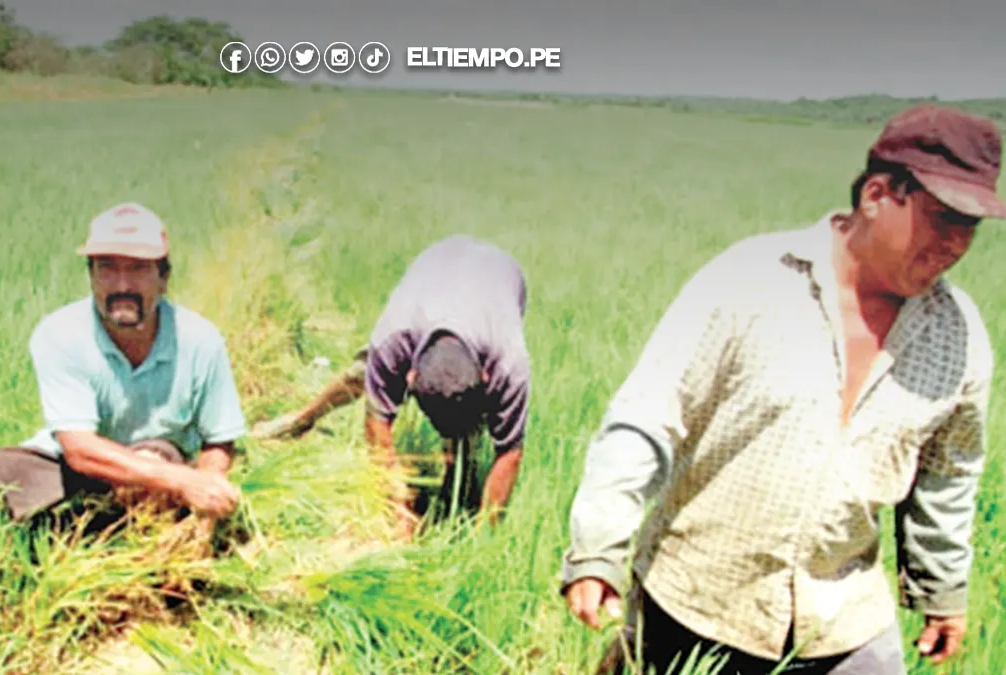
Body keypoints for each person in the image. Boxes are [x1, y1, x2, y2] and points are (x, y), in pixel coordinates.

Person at [561, 102, 1002, 674]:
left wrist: (942, 591)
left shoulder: (959, 337)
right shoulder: (750, 280)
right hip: (698, 604)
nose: (955, 243)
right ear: (876, 195)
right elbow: (648, 417)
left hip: (841, 621)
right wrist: (597, 550)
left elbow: (948, 474)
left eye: (969, 225)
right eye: (943, 216)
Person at [0, 202, 249, 529]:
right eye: (107, 268)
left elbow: (218, 438)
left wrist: (205, 487)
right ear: (91, 274)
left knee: (156, 477)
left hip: (166, 465)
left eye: (138, 268)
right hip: (81, 468)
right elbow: (79, 449)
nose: (122, 285)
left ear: (163, 277)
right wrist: (181, 481)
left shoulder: (200, 340)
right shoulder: (61, 334)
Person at [251, 235, 530, 533]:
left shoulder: (509, 364)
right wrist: (398, 505)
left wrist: (484, 535)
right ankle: (301, 419)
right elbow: (378, 422)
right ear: (410, 376)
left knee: (465, 436)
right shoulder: (394, 339)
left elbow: (509, 453)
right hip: (436, 265)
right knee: (364, 373)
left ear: (485, 376)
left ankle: (457, 474)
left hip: (499, 273)